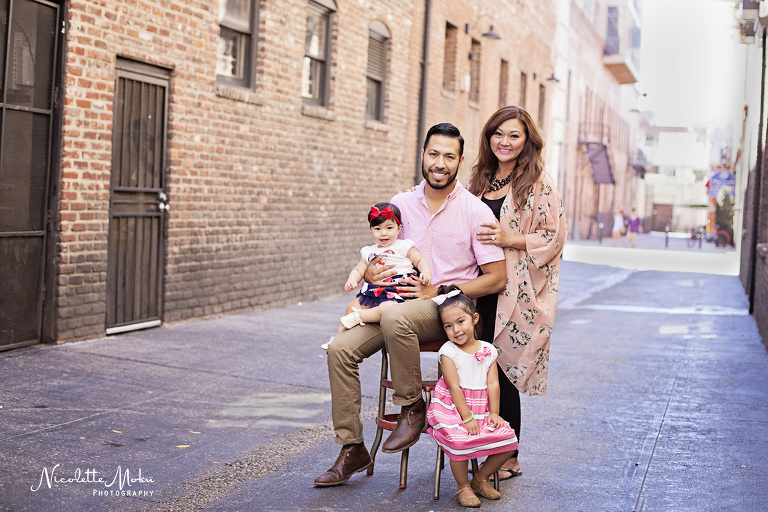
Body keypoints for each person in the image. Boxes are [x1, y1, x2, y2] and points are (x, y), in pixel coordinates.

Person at [314, 123, 506, 487]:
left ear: (460, 161)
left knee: (398, 317)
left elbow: (496, 277)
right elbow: (378, 257)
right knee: (339, 349)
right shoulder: (399, 205)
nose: (440, 163)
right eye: (434, 154)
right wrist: (370, 275)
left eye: (449, 156)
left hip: (443, 311)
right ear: (422, 155)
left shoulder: (475, 211)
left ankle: (412, 406)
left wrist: (440, 290)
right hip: (390, 304)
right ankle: (352, 447)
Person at [467, 106, 566, 481]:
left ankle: (510, 456)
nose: (504, 142)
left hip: (516, 292)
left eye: (513, 135)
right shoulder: (481, 178)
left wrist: (511, 238)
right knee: (479, 368)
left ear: (527, 141)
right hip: (480, 285)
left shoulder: (538, 181)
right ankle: (479, 447)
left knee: (504, 371)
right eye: (498, 134)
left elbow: (554, 236)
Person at [427, 291, 518, 508]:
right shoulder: (448, 351)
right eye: (448, 326)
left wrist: (494, 413)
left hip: (481, 408)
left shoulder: (488, 350)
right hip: (453, 409)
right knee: (459, 441)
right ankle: (463, 485)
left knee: (508, 441)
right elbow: (453, 387)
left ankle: (481, 478)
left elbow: (493, 384)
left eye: (460, 321)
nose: (456, 329)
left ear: (474, 319)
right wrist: (467, 418)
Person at [322, 202, 432, 350]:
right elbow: (358, 270)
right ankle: (338, 339)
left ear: (399, 228)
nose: (383, 233)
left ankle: (360, 316)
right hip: (374, 292)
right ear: (371, 230)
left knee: (387, 310)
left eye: (389, 228)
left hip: (398, 291)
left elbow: (420, 260)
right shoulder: (368, 251)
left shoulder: (403, 246)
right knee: (350, 306)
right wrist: (352, 280)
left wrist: (426, 272)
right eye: (377, 229)